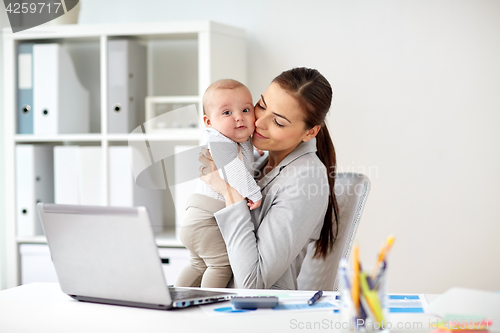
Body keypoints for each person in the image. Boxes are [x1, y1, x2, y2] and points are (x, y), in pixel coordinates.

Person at [198, 67, 340, 289]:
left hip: (257, 313)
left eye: (279, 122)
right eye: (261, 105)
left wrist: (228, 191)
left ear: (310, 132)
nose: (259, 122)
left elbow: (252, 283)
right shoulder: (260, 161)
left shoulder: (306, 179)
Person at [175, 79, 263, 288]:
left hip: (195, 220)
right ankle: (207, 304)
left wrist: (260, 157)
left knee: (198, 265)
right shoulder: (218, 140)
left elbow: (243, 165)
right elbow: (233, 172)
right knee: (221, 265)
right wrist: (254, 192)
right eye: (227, 113)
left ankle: (176, 295)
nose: (239, 117)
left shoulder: (236, 140)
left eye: (245, 109)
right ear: (208, 121)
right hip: (207, 220)